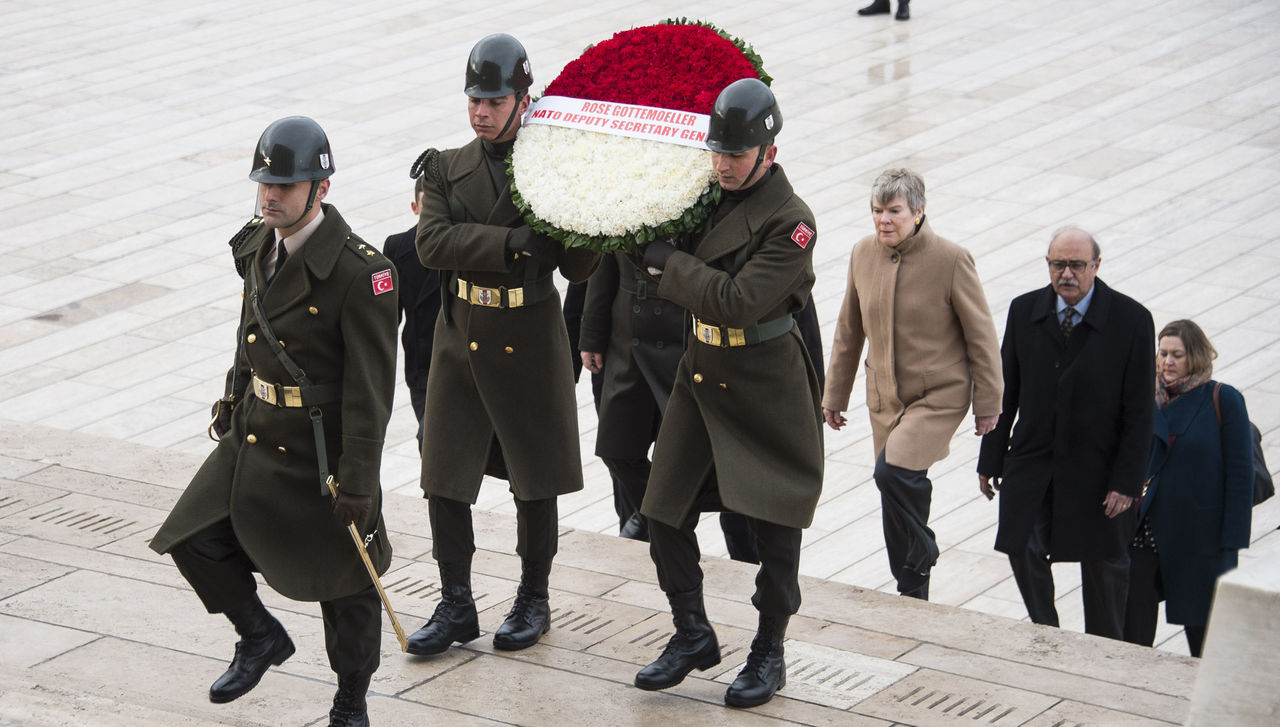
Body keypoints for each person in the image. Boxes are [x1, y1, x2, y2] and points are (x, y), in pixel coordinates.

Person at [150, 116, 398, 727]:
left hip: (322, 451)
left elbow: (373, 391)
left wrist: (360, 482)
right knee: (190, 536)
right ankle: (259, 635)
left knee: (346, 586)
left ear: (322, 188)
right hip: (257, 429)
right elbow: (249, 332)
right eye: (265, 183)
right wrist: (232, 399)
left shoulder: (362, 274)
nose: (270, 196)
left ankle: (350, 701)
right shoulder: (256, 244)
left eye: (286, 186)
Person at [632, 78, 824, 709]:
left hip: (765, 380)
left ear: (768, 152)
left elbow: (740, 301)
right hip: (703, 371)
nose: (721, 165)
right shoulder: (706, 194)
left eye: (734, 155)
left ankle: (770, 649)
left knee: (775, 528)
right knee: (661, 511)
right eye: (716, 152)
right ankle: (692, 632)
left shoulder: (791, 221)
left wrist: (670, 266)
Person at [406, 33, 598, 657]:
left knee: (532, 478)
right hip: (462, 336)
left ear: (524, 98)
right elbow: (431, 243)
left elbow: (582, 266)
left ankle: (533, 597)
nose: (481, 111)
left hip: (530, 333)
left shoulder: (554, 167)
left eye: (494, 99)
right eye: (474, 99)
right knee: (444, 475)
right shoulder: (444, 168)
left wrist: (587, 206)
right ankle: (456, 601)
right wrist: (509, 244)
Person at [822, 168, 1002, 600]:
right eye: (877, 210)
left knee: (893, 471)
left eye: (895, 211)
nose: (884, 219)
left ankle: (923, 546)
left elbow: (982, 336)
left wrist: (988, 404)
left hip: (938, 395)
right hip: (884, 396)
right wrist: (835, 395)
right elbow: (849, 330)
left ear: (918, 212)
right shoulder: (862, 254)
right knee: (892, 492)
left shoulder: (952, 259)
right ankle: (911, 587)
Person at [978, 227, 1154, 640]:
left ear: (1096, 266)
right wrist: (990, 458)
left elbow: (1141, 412)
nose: (1067, 274)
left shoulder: (1131, 320)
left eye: (1077, 265)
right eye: (1059, 265)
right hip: (1035, 460)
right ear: (1048, 265)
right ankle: (1049, 635)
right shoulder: (1025, 311)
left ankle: (1105, 656)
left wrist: (1127, 482)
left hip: (1099, 470)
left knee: (1105, 570)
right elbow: (1006, 390)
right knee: (1021, 544)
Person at [578, 256, 827, 549]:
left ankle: (736, 561)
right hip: (629, 342)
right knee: (617, 451)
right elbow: (604, 259)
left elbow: (795, 306)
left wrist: (815, 391)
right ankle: (653, 516)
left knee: (726, 469)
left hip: (697, 342)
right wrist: (591, 334)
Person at [1123, 320, 1252, 657]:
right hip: (1143, 531)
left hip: (1200, 538)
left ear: (1194, 356)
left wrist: (1232, 541)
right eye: (1163, 353)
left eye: (1176, 355)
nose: (1167, 362)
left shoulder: (1223, 398)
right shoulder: (1143, 397)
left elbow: (1240, 474)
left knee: (1205, 640)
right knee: (1131, 636)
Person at [382, 175, 441, 447]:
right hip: (421, 366)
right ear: (414, 207)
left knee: (432, 439)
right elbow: (388, 316)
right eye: (427, 204)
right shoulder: (397, 247)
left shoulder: (461, 246)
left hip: (458, 363)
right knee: (429, 439)